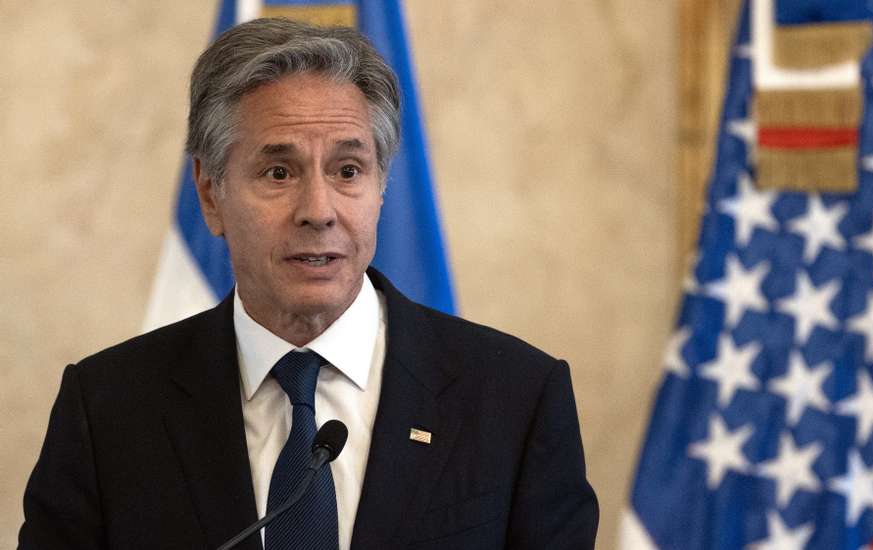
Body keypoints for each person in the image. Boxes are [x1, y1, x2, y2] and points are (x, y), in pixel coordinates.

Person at [18, 17, 598, 550]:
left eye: (348, 171)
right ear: (209, 192)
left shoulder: (515, 398)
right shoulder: (108, 408)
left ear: (380, 188)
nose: (318, 211)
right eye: (278, 172)